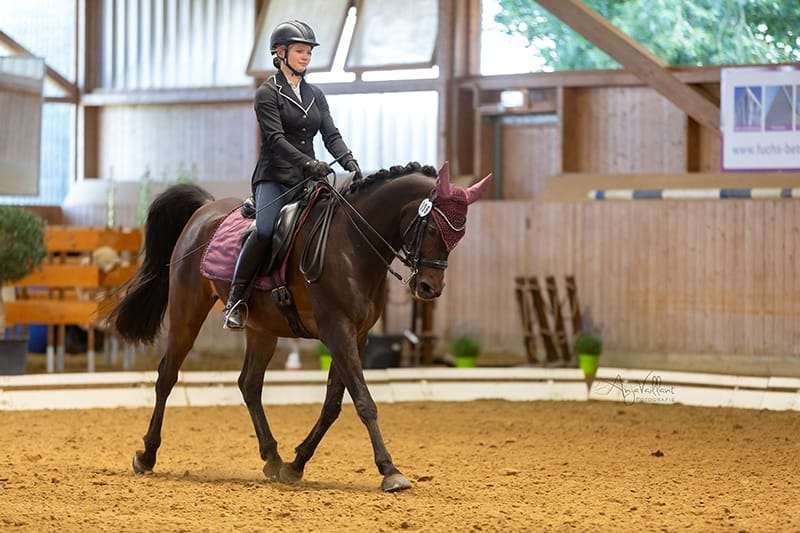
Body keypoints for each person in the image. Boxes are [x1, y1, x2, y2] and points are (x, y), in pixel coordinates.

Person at [223, 20, 362, 329]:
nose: (306, 57)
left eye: (308, 52)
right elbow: (275, 139)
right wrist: (308, 164)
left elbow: (330, 134)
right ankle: (236, 299)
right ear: (280, 52)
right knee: (265, 230)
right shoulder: (267, 93)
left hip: (308, 179)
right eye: (300, 51)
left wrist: (349, 161)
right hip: (275, 177)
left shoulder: (315, 95)